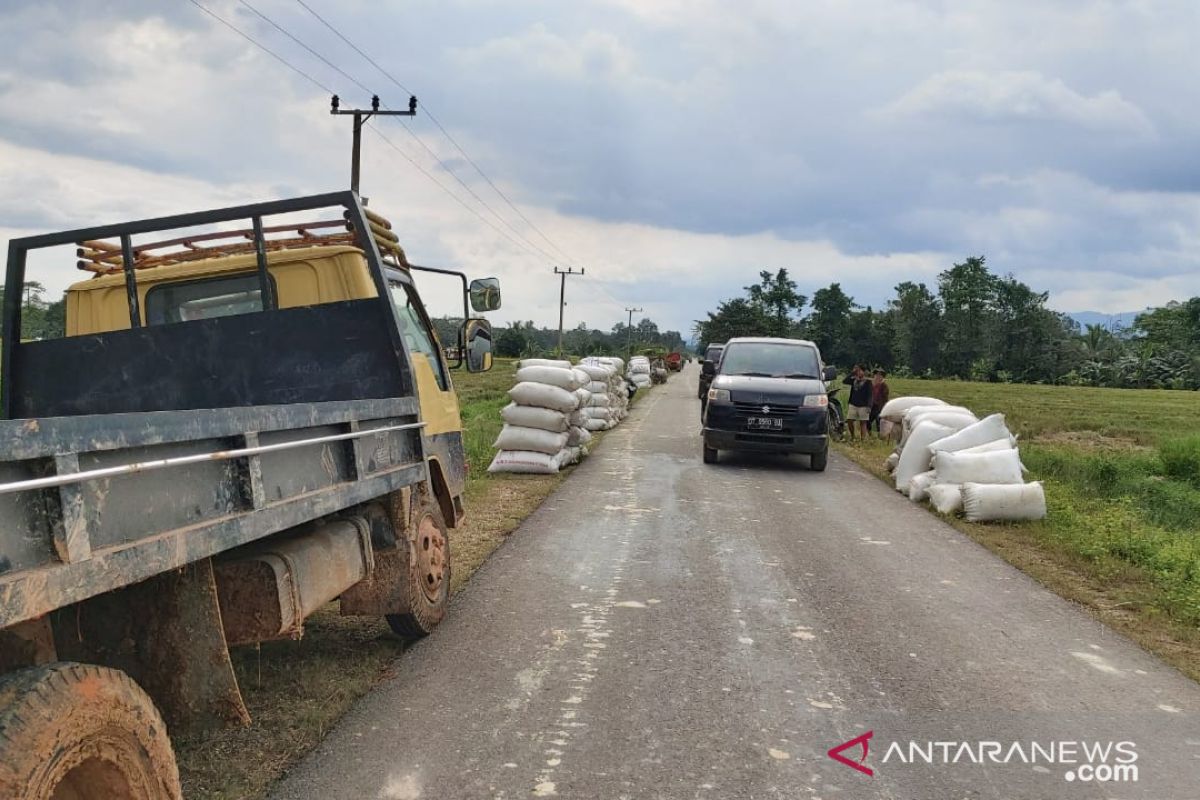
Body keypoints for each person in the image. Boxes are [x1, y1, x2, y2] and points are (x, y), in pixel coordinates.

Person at [842, 364, 872, 440]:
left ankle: (863, 439)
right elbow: (844, 381)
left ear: (863, 372)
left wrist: (869, 406)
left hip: (863, 405)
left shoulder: (868, 382)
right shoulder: (853, 380)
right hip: (853, 403)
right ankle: (852, 436)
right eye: (857, 371)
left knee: (863, 422)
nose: (858, 372)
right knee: (849, 420)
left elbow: (870, 395)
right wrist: (852, 373)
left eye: (859, 370)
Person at [869, 369, 890, 437]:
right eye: (876, 375)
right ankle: (869, 434)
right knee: (868, 421)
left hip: (880, 406)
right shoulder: (871, 384)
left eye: (879, 375)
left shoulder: (884, 386)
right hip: (872, 405)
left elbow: (885, 396)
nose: (877, 377)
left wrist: (881, 384)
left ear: (882, 377)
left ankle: (880, 436)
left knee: (879, 421)